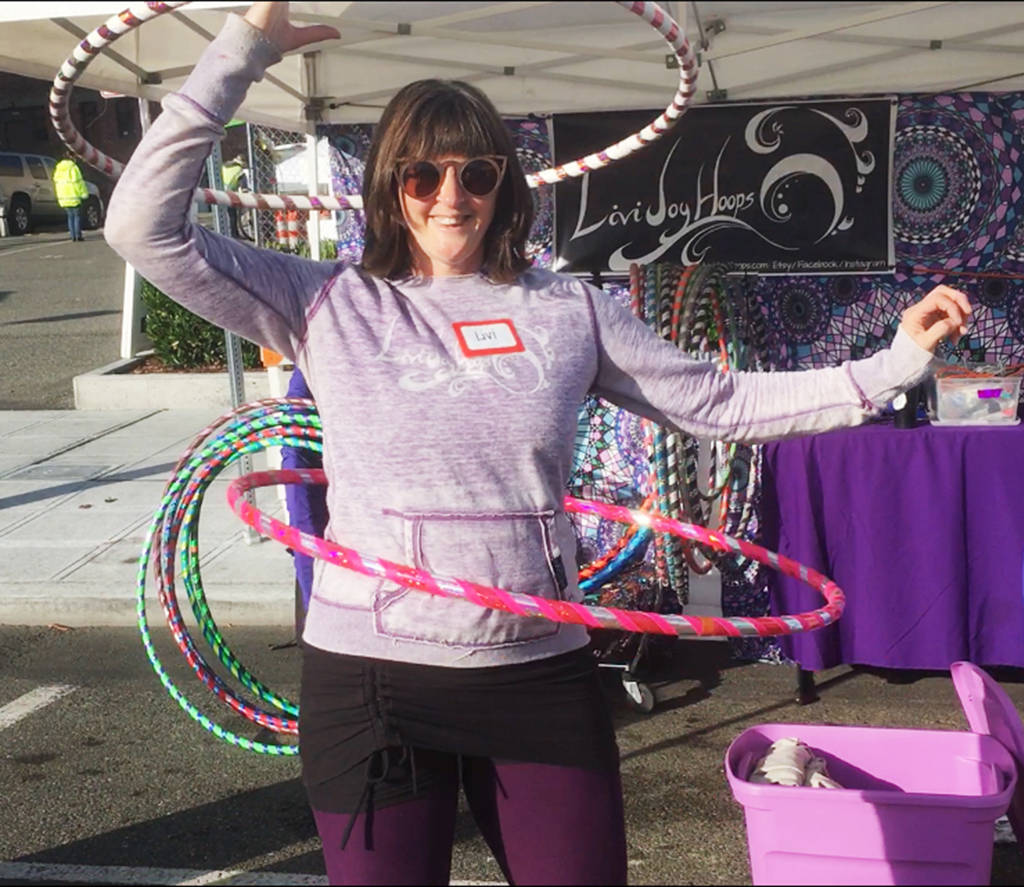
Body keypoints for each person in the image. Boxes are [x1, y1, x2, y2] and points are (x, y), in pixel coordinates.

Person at [104, 3, 972, 885]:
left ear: (503, 185)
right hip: (373, 679)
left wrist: (892, 365)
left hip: (535, 673)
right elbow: (140, 226)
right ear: (389, 186)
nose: (451, 198)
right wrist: (242, 52)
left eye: (475, 173)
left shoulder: (567, 309)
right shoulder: (327, 301)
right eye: (422, 175)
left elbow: (717, 402)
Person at [52, 149, 89, 242]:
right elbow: (79, 183)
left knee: (70, 216)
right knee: (76, 216)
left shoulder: (58, 169)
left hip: (63, 197)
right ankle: (78, 235)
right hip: (74, 195)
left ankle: (72, 236)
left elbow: (56, 183)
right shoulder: (74, 168)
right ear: (72, 158)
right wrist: (84, 194)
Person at [220, 153, 248, 239]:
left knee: (222, 215)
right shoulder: (239, 170)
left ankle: (223, 233)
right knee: (233, 216)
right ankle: (234, 234)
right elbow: (243, 187)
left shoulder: (224, 166)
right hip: (231, 194)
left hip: (219, 193)